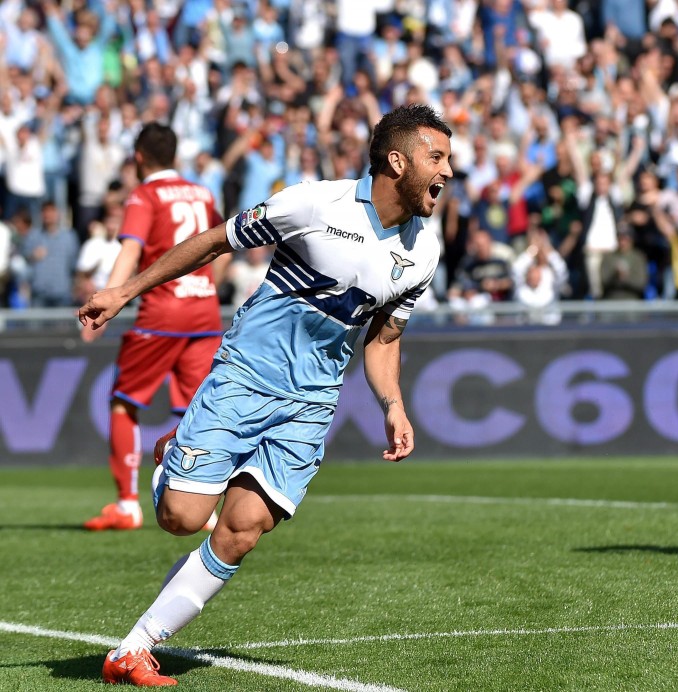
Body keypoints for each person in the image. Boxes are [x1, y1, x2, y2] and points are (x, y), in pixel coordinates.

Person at [79, 104, 452, 686]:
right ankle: (175, 455)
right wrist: (124, 292)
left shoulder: (423, 251)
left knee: (242, 529)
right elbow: (213, 243)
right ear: (397, 162)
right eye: (437, 157)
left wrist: (393, 405)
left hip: (311, 403)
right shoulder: (313, 204)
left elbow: (383, 339)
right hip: (246, 376)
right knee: (181, 517)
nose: (447, 171)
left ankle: (135, 648)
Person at [82, 123, 226, 533]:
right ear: (176, 156)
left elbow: (130, 250)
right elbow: (222, 245)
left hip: (163, 314)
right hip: (205, 311)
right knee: (195, 411)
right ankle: (200, 506)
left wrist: (109, 299)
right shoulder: (202, 193)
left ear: (139, 157)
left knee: (124, 401)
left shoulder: (144, 195)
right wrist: (207, 287)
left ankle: (127, 504)